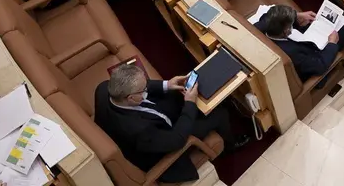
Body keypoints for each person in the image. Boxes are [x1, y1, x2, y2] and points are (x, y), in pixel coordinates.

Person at [95, 63, 248, 183]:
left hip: (154, 119)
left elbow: (144, 86)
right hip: (165, 142)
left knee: (181, 87)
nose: (146, 88)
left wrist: (167, 84)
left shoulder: (103, 89)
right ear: (131, 98)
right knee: (220, 114)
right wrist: (190, 103)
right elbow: (177, 139)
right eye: (143, 90)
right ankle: (230, 146)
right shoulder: (139, 131)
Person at [255, 4, 344, 82]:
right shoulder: (292, 54)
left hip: (301, 41)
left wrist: (297, 15)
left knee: (322, 20)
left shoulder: (263, 26)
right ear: (286, 31)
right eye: (290, 25)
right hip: (315, 56)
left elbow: (267, 15)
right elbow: (319, 66)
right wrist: (331, 44)